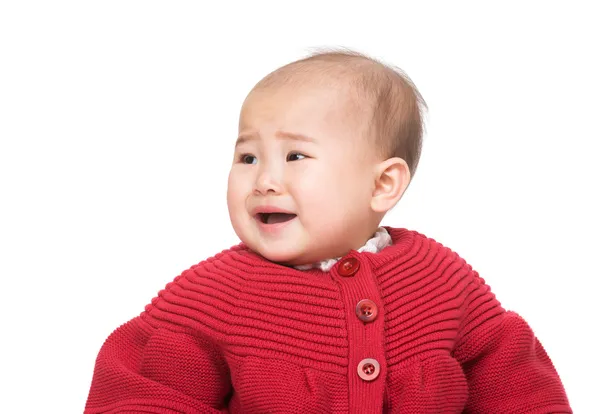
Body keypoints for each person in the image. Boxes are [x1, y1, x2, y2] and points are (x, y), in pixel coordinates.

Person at [85, 50, 571, 413]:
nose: (265, 180)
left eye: (295, 156)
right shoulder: (212, 294)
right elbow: (143, 393)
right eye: (247, 157)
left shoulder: (441, 278)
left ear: (383, 184)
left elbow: (514, 382)